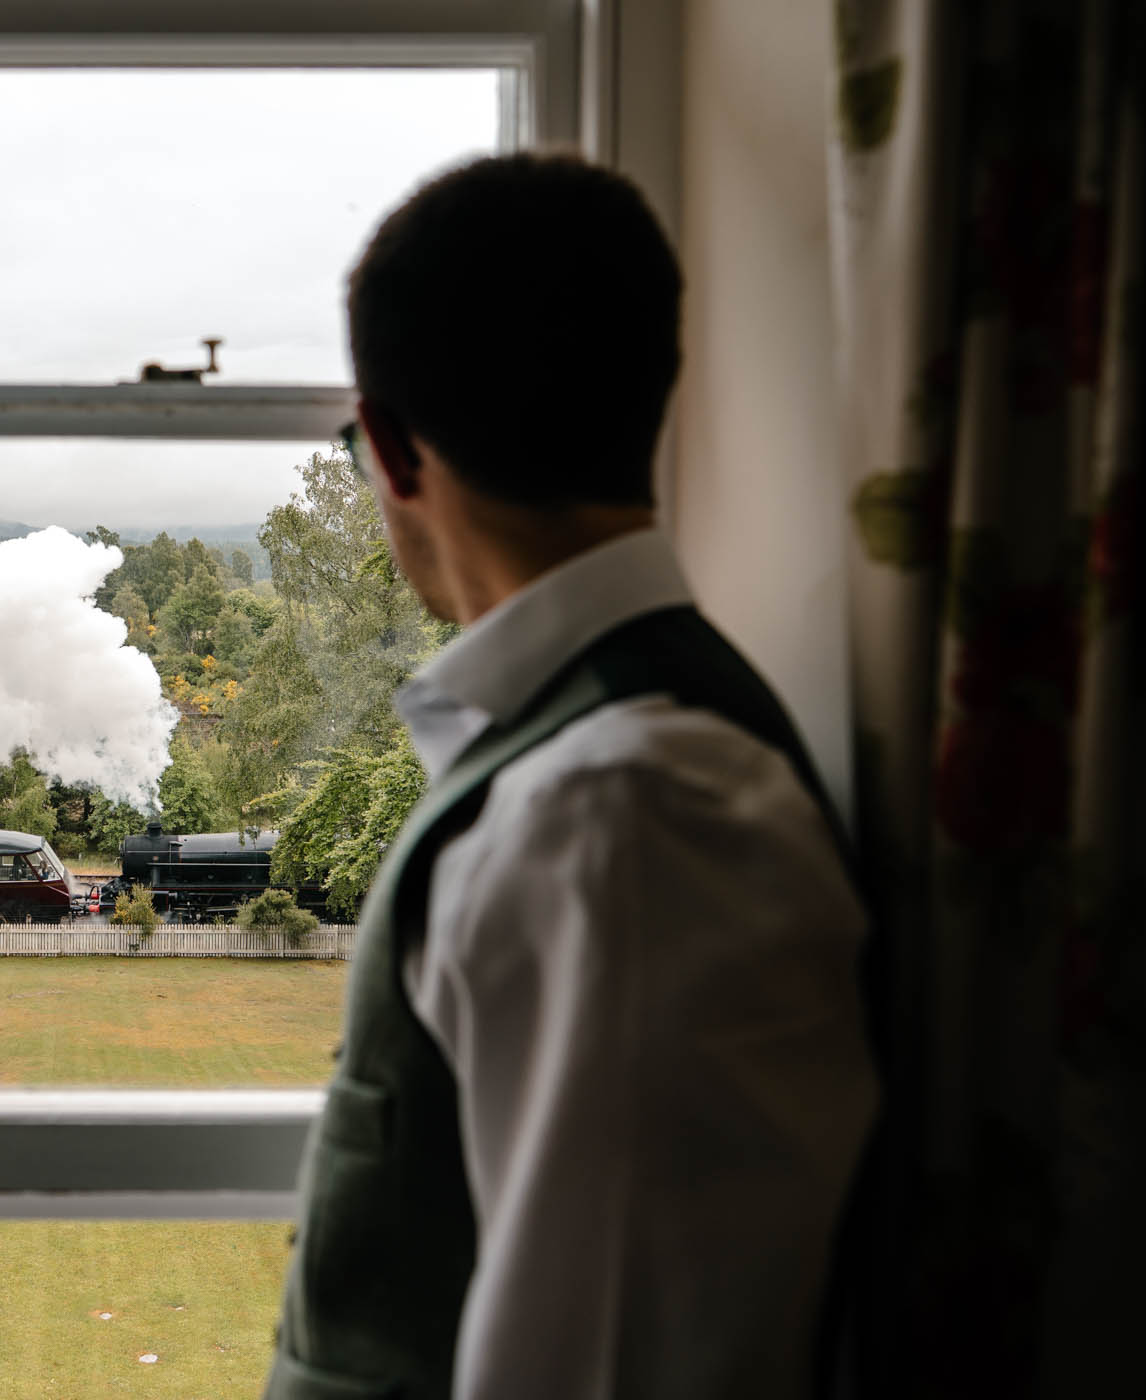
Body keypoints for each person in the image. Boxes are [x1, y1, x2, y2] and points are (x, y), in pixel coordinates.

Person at [264, 153, 877, 1400]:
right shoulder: (612, 773)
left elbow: (607, 1362)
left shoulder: (622, 815)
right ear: (654, 393)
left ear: (388, 444)